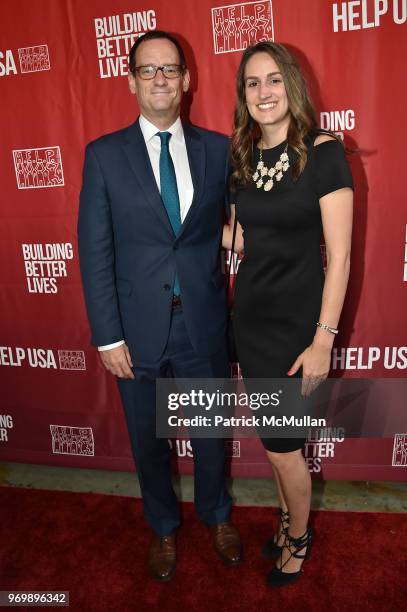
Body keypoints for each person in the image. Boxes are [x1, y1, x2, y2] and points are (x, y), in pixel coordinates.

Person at [78, 30, 241, 582]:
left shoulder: (218, 150)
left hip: (202, 324)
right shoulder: (102, 156)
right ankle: (163, 527)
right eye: (148, 70)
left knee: (210, 433)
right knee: (147, 441)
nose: (160, 79)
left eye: (169, 68)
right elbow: (95, 250)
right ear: (130, 81)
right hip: (135, 330)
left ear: (187, 79)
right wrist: (107, 336)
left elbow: (238, 224)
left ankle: (217, 515)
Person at [223, 41, 353, 587]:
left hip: (298, 325)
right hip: (250, 317)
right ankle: (286, 521)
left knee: (282, 449)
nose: (263, 92)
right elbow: (241, 239)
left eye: (273, 79)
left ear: (291, 85)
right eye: (252, 83)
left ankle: (299, 539)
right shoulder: (242, 157)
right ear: (243, 95)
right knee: (278, 448)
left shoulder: (324, 151)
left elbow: (341, 253)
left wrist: (323, 339)